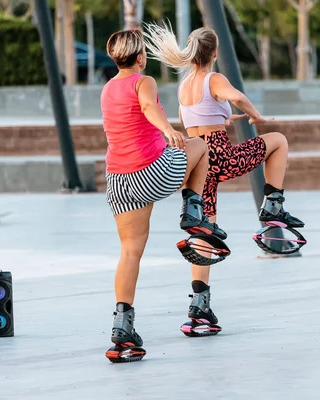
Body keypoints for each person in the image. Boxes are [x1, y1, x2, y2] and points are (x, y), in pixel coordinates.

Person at [143, 23, 304, 334]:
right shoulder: (214, 78)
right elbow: (238, 96)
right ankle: (273, 205)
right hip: (219, 155)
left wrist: (224, 116)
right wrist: (255, 115)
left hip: (198, 164)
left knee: (203, 232)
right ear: (215, 53)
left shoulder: (184, 85)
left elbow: (197, 120)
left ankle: (198, 308)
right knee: (278, 141)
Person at [100, 29, 227, 360]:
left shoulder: (108, 88)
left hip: (118, 181)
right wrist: (167, 128)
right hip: (151, 172)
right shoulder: (144, 81)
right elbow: (146, 106)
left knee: (130, 252)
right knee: (200, 146)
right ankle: (193, 211)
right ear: (140, 58)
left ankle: (122, 329)